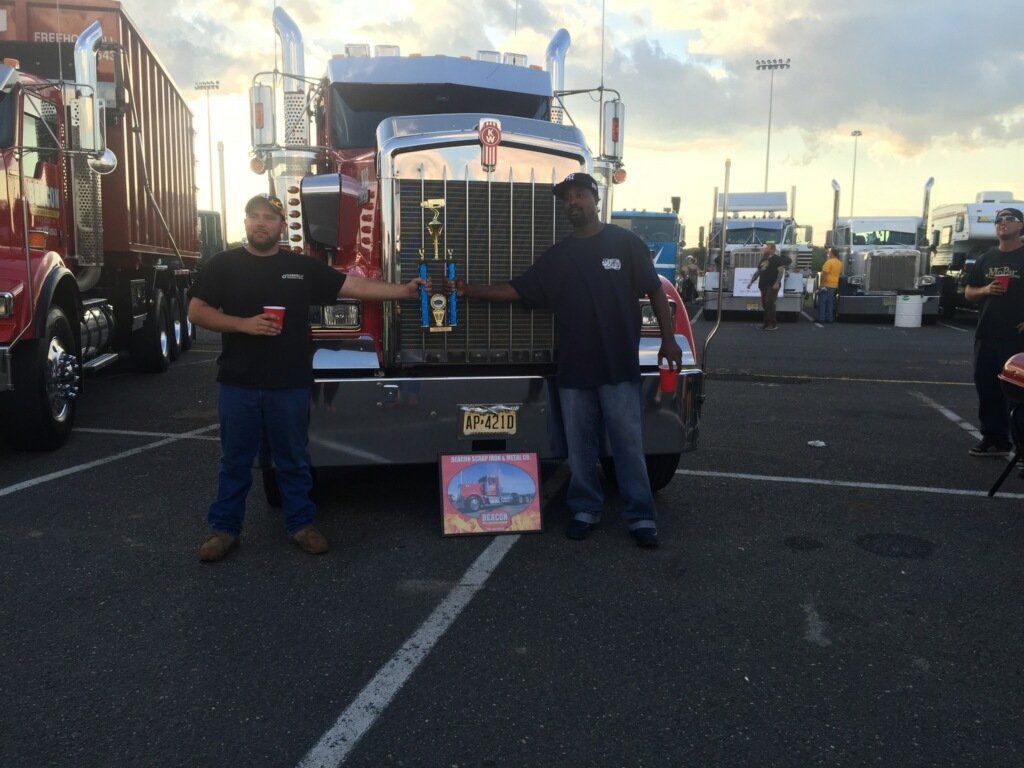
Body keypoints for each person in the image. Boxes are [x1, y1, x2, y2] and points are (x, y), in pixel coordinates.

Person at [450, 172, 682, 549]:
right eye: (567, 199)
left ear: (596, 199)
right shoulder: (559, 257)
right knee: (581, 447)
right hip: (574, 370)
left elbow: (655, 291)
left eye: (579, 195)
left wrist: (669, 341)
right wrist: (468, 289)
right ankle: (584, 509)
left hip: (620, 366)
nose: (573, 202)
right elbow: (516, 289)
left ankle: (641, 516)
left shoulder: (626, 244)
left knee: (627, 444)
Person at [188, 194, 425, 562]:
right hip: (239, 382)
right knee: (234, 460)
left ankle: (300, 525)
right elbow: (197, 311)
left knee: (294, 458)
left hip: (289, 383)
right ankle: (224, 530)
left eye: (270, 217)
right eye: (255, 217)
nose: (261, 223)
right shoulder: (223, 265)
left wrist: (402, 292)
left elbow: (352, 286)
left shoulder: (301, 267)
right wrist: (244, 325)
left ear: (283, 225)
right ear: (246, 222)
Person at [963, 207, 1024, 457]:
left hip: (1017, 337)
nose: (1003, 223)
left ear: (1021, 226)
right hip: (987, 334)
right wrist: (986, 290)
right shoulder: (986, 258)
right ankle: (994, 438)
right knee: (987, 387)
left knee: (1017, 393)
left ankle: (1021, 447)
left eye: (1010, 219)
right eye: (999, 220)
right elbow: (968, 292)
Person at [746, 242, 791, 330]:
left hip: (772, 285)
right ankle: (766, 323)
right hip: (763, 285)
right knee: (765, 304)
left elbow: (781, 271)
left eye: (766, 248)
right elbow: (758, 272)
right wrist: (751, 282)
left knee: (769, 303)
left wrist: (777, 283)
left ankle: (773, 324)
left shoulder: (778, 259)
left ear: (772, 249)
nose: (764, 249)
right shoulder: (763, 260)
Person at [819, 246, 843, 323]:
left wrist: (822, 284)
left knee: (822, 302)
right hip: (834, 284)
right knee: (830, 302)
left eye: (829, 252)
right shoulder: (839, 263)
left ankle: (822, 318)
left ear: (832, 253)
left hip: (827, 284)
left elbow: (824, 273)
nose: (828, 253)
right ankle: (830, 318)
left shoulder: (829, 262)